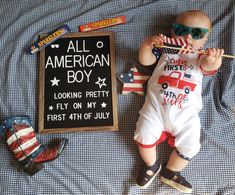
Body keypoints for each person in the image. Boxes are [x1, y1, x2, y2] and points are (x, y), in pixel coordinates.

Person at [134, 10, 224, 193]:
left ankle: (172, 170)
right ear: (172, 31)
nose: (188, 36)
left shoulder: (201, 57)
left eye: (197, 33)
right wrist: (147, 45)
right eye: (181, 30)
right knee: (142, 134)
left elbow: (208, 68)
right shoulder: (166, 51)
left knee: (191, 144)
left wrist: (213, 60)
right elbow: (145, 60)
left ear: (205, 40)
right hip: (156, 109)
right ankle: (151, 164)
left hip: (186, 114)